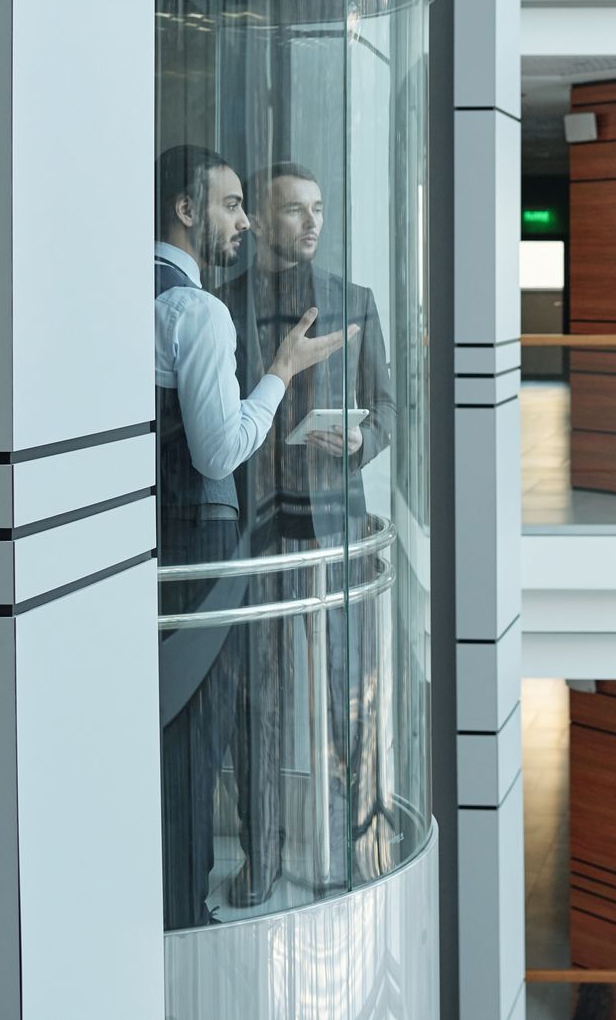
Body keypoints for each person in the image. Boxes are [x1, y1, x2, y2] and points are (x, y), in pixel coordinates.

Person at [154, 144, 355, 929]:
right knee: (197, 734)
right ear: (186, 208)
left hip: (164, 535)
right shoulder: (201, 308)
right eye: (232, 203)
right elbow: (218, 451)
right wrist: (280, 369)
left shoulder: (123, 290)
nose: (239, 219)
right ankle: (182, 907)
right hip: (207, 541)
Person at [222, 161, 396, 903]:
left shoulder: (354, 301)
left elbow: (387, 407)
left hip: (337, 533)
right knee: (257, 707)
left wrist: (360, 443)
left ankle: (356, 851)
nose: (312, 222)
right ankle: (262, 862)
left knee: (348, 702)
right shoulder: (222, 309)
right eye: (295, 210)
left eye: (319, 209)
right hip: (259, 537)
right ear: (261, 218)